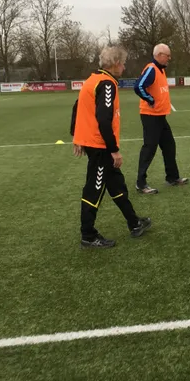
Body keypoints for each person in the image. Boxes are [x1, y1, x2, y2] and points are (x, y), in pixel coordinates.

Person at [70, 46, 151, 249]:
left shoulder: (93, 79)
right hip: (100, 146)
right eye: (123, 63)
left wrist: (77, 136)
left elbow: (77, 106)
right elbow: (104, 120)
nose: (124, 67)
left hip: (94, 143)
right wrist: (113, 149)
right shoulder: (107, 84)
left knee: (116, 184)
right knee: (94, 189)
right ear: (115, 64)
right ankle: (88, 235)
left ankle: (134, 223)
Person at [134, 43, 188, 194]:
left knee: (169, 146)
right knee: (149, 149)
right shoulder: (151, 69)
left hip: (160, 117)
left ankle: (172, 177)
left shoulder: (161, 70)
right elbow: (138, 87)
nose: (169, 58)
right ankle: (140, 183)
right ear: (158, 55)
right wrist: (150, 100)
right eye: (167, 55)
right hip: (150, 116)